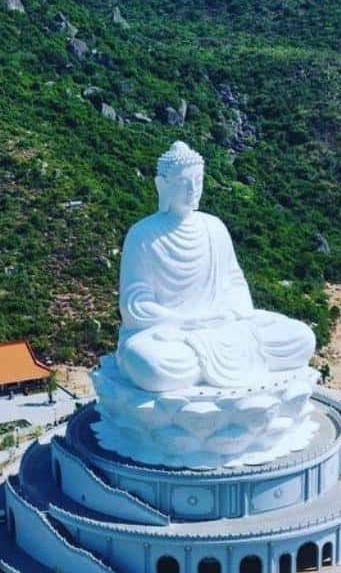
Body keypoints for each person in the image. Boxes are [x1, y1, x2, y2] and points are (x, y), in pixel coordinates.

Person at [115, 141, 315, 392]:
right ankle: (201, 368)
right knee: (150, 365)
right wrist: (187, 322)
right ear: (162, 185)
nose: (192, 190)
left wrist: (234, 312)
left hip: (224, 326)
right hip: (174, 334)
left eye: (197, 181)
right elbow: (134, 305)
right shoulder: (143, 234)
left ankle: (210, 366)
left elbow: (235, 280)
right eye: (182, 182)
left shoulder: (214, 227)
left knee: (303, 338)